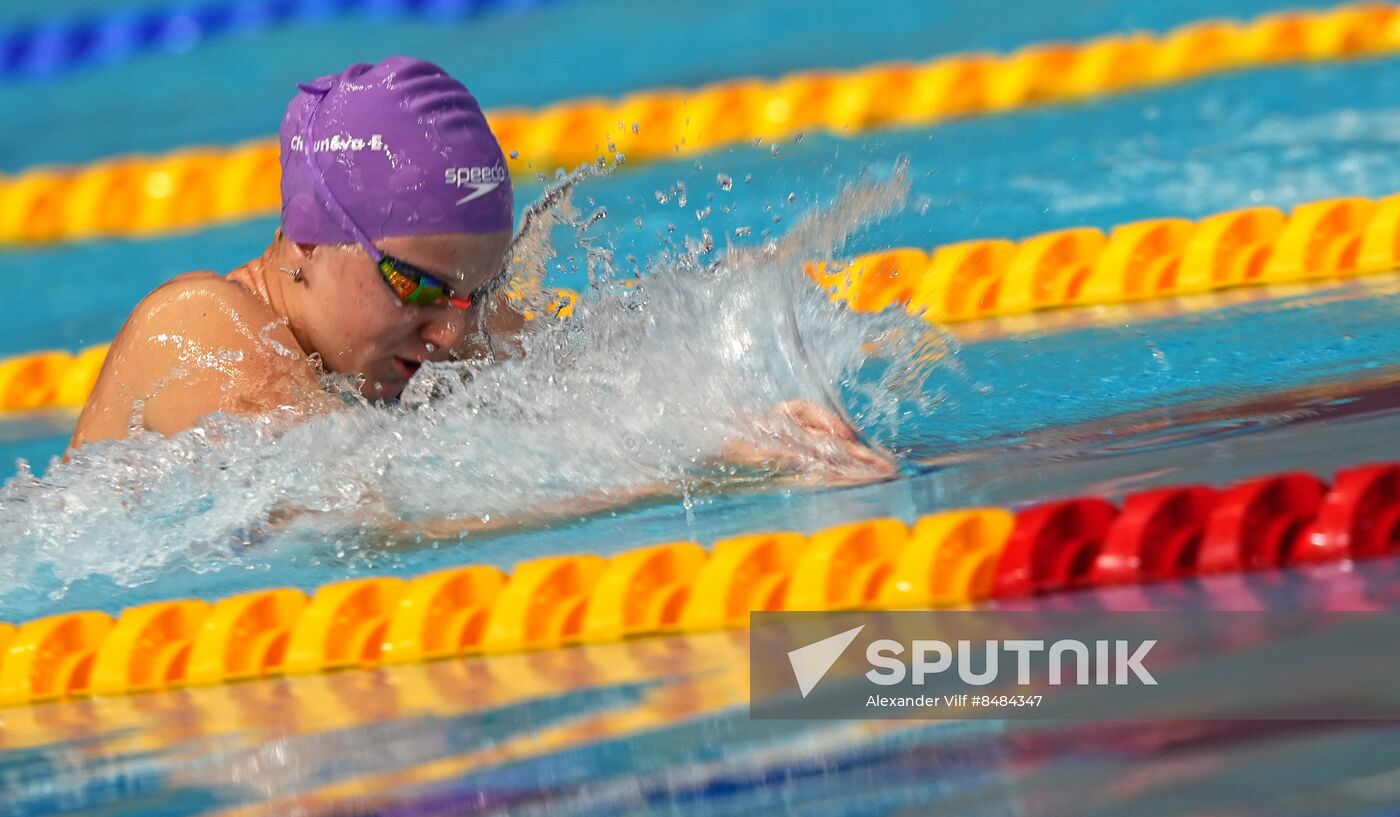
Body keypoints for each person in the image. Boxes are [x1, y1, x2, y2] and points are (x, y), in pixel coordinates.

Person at [70, 56, 893, 491]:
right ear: (308, 237)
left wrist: (762, 421)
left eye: (478, 293)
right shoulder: (200, 328)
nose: (453, 330)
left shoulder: (438, 329)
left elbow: (606, 394)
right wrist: (708, 458)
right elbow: (364, 501)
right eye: (419, 287)